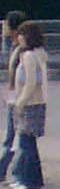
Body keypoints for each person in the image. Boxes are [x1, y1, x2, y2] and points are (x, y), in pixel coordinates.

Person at [6, 20, 45, 189]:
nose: (19, 37)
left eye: (22, 34)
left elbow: (31, 83)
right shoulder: (34, 53)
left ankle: (28, 181)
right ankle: (31, 179)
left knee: (26, 144)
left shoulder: (29, 56)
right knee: (28, 144)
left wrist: (20, 102)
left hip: (30, 104)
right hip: (33, 103)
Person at [0, 10, 23, 178]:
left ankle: (5, 169)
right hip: (14, 95)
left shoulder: (20, 49)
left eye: (7, 24)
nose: (4, 27)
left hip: (17, 97)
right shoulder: (14, 46)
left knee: (13, 135)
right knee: (13, 135)